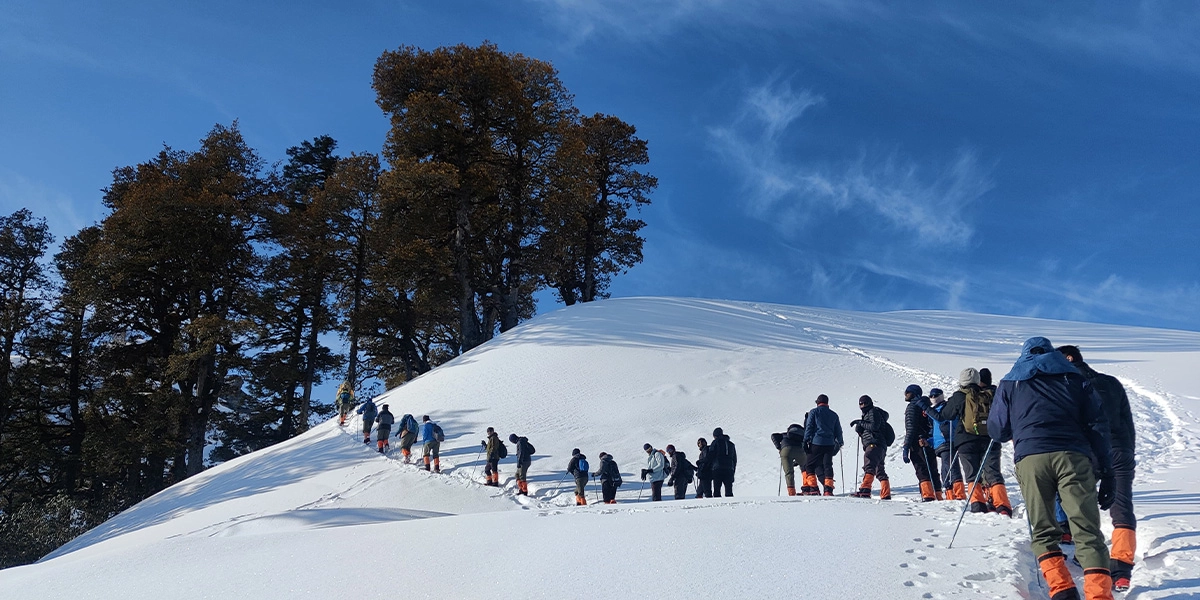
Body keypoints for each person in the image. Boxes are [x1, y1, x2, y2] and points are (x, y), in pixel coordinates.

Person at [990, 337, 1115, 600]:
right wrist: (1107, 470)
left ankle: (1062, 589)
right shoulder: (1075, 378)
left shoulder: (1010, 381)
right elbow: (1097, 424)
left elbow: (998, 431)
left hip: (1031, 458)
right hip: (1073, 456)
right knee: (1087, 528)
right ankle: (1099, 594)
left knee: (1043, 528)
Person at [1058, 344, 1137, 592]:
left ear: (1069, 358)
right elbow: (1127, 421)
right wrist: (1127, 451)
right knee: (1122, 505)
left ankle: (1089, 558)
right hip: (1119, 449)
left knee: (1082, 503)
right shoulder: (1111, 383)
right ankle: (1122, 568)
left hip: (1087, 451)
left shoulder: (1069, 384)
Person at [919, 368, 1012, 516]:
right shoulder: (990, 393)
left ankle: (978, 504)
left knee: (972, 474)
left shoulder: (959, 396)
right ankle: (1003, 505)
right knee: (993, 472)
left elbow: (945, 415)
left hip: (966, 441)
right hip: (990, 438)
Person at [902, 385, 942, 501]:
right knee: (933, 469)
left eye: (907, 392)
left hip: (917, 442)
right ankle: (938, 495)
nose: (905, 394)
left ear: (914, 393)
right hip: (929, 441)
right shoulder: (926, 405)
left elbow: (911, 428)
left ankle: (928, 495)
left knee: (921, 468)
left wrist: (906, 446)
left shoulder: (912, 406)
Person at [850, 395, 891, 499]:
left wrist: (860, 422)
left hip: (874, 443)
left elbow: (874, 426)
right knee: (879, 469)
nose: (863, 405)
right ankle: (885, 493)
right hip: (880, 445)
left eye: (865, 403)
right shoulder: (870, 413)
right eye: (861, 404)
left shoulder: (872, 412)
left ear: (870, 403)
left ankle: (865, 489)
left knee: (869, 464)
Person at [803, 395, 842, 496]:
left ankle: (814, 488)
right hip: (829, 444)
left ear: (817, 402)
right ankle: (828, 490)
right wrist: (840, 442)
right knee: (827, 466)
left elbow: (809, 427)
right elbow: (838, 431)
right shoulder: (834, 415)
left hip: (816, 443)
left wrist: (805, 440)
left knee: (809, 465)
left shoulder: (814, 412)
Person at [929, 389, 964, 500]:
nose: (933, 398)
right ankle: (950, 495)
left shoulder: (945, 408)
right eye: (931, 396)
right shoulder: (935, 410)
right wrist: (931, 441)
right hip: (941, 443)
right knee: (945, 469)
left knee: (951, 467)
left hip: (947, 441)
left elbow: (941, 420)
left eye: (935, 395)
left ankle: (959, 494)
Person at [772, 423, 807, 496]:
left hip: (786, 451)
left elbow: (773, 436)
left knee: (789, 473)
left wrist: (779, 447)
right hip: (799, 450)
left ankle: (791, 493)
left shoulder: (784, 435)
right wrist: (797, 462)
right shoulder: (801, 436)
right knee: (805, 468)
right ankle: (807, 487)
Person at [708, 428, 737, 497]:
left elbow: (710, 455)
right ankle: (730, 502)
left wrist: (708, 467)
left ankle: (717, 502)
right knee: (729, 489)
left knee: (717, 490)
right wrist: (733, 471)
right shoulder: (731, 444)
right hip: (729, 468)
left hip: (717, 468)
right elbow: (734, 459)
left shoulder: (715, 442)